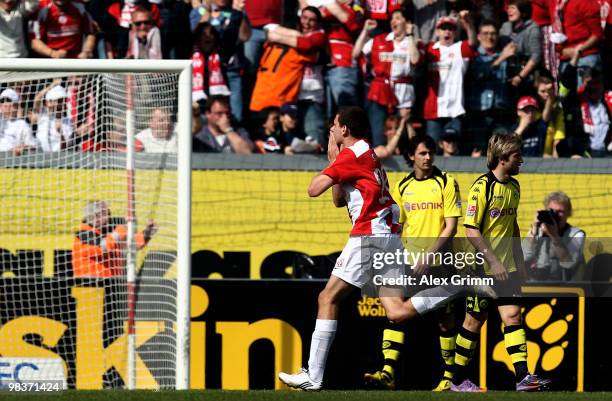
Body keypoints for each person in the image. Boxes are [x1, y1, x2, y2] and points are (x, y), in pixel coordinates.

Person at [449, 133, 550, 392]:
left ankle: (522, 378)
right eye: (517, 156)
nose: (522, 161)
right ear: (503, 158)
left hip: (509, 268)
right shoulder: (482, 187)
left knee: (513, 316)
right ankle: (457, 380)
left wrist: (520, 262)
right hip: (483, 268)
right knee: (473, 322)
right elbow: (471, 229)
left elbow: (512, 225)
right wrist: (493, 262)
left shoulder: (514, 187)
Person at [363, 135, 463, 392]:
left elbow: (451, 226)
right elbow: (397, 224)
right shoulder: (403, 186)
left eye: (430, 152)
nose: (428, 157)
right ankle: (387, 372)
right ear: (410, 156)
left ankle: (449, 378)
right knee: (396, 316)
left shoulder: (446, 182)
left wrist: (429, 255)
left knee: (445, 320)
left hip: (440, 261)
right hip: (408, 260)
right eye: (422, 153)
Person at [352, 10, 422, 147]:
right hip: (379, 91)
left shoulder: (413, 42)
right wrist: (365, 31)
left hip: (403, 93)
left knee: (404, 135)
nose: (393, 21)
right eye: (392, 19)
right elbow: (355, 53)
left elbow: (415, 60)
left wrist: (410, 35)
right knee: (379, 134)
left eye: (397, 18)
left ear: (407, 23)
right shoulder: (379, 39)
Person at [423, 12, 477, 142]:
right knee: (432, 150)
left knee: (453, 153)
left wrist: (468, 25)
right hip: (433, 109)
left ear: (455, 32)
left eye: (451, 29)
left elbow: (472, 43)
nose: (447, 32)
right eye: (443, 28)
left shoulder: (460, 48)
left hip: (454, 109)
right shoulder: (429, 49)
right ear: (437, 32)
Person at [465, 19, 514, 155]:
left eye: (493, 33)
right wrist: (501, 58)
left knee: (501, 152)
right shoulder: (474, 55)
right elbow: (479, 74)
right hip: (478, 113)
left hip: (500, 112)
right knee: (477, 152)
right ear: (479, 36)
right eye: (485, 33)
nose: (489, 37)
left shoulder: (505, 56)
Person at [72, 200, 157, 278]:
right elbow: (103, 247)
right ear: (95, 217)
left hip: (110, 285)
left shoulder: (106, 233)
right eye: (105, 213)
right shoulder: (83, 235)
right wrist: (122, 229)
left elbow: (131, 245)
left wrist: (147, 233)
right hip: (89, 288)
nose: (109, 216)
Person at [522, 192, 585, 281]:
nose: (555, 215)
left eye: (560, 212)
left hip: (565, 286)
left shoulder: (576, 234)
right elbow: (523, 257)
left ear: (569, 213)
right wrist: (534, 230)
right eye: (552, 211)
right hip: (535, 284)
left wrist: (554, 236)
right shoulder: (538, 231)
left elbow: (568, 263)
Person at [499, 0, 542, 93]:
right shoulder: (505, 27)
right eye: (509, 8)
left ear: (524, 12)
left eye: (513, 8)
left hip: (525, 74)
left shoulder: (533, 28)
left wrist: (520, 76)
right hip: (506, 72)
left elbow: (536, 56)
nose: (509, 11)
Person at [31, 0, 96, 59]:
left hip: (76, 60)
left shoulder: (80, 6)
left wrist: (87, 51)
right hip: (50, 61)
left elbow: (91, 33)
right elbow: (34, 41)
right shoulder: (42, 8)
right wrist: (52, 53)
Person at [30, 83, 75, 152]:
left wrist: (61, 133)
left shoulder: (68, 121)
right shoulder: (43, 114)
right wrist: (50, 87)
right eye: (53, 101)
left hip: (57, 158)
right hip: (39, 155)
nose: (56, 104)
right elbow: (37, 98)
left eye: (60, 101)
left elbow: (65, 149)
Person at [0, 88, 37, 154]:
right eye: (3, 105)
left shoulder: (22, 125)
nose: (7, 108)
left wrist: (22, 148)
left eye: (11, 105)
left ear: (17, 106)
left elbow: (32, 146)